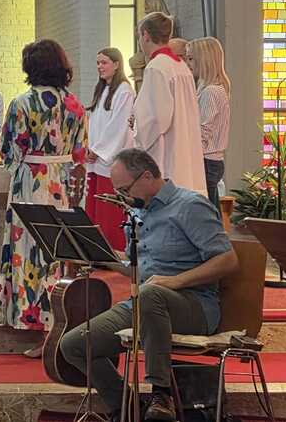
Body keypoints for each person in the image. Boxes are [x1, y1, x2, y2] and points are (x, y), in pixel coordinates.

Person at [59, 148, 238, 422]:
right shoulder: (137, 211)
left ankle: (161, 394)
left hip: (194, 305)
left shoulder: (190, 206)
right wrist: (98, 255)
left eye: (125, 189)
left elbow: (227, 261)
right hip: (145, 302)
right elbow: (137, 267)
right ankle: (130, 407)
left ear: (146, 176)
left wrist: (174, 281)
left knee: (151, 293)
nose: (123, 197)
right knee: (74, 345)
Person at [0, 39, 87, 338]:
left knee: (29, 250)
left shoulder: (22, 103)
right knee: (57, 251)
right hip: (62, 181)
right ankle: (58, 321)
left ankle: (34, 321)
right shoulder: (75, 104)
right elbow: (81, 151)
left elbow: (10, 150)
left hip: (31, 181)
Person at [132, 12, 207, 196]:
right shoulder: (181, 66)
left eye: (139, 36)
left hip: (167, 156)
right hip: (186, 150)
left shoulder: (156, 67)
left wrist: (137, 134)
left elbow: (156, 119)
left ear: (145, 34)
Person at [85, 47, 134, 250]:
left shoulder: (124, 90)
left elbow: (118, 126)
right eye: (98, 63)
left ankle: (113, 251)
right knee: (95, 210)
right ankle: (96, 250)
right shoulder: (102, 89)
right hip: (96, 159)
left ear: (116, 64)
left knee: (109, 212)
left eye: (104, 62)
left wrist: (98, 150)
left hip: (109, 160)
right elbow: (95, 123)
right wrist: (89, 146)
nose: (99, 67)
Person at [186, 37, 231, 208]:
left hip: (206, 161)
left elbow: (202, 131)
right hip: (208, 160)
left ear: (203, 60)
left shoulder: (211, 91)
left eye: (191, 58)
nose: (187, 63)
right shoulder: (206, 88)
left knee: (206, 213)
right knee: (208, 211)